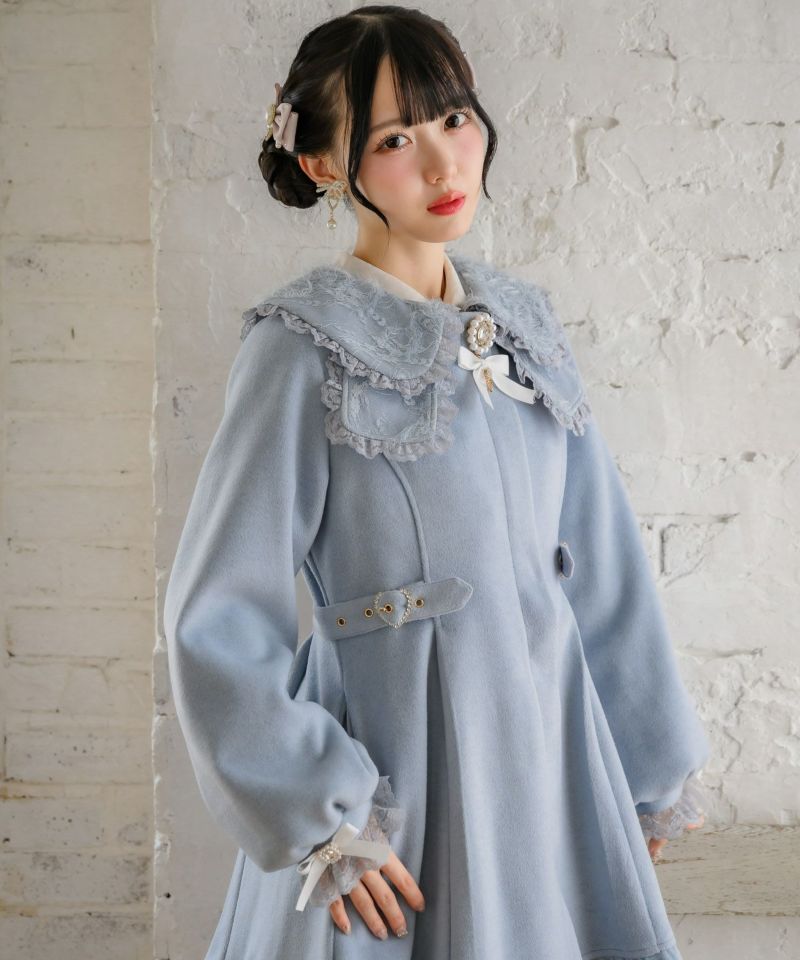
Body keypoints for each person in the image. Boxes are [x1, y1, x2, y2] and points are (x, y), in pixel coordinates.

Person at [163, 6, 711, 958]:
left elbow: (600, 560)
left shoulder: (524, 326)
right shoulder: (301, 348)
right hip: (396, 779)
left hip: (549, 769)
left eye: (455, 119)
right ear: (324, 164)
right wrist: (322, 813)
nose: (443, 163)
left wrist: (643, 766)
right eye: (394, 140)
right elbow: (216, 611)